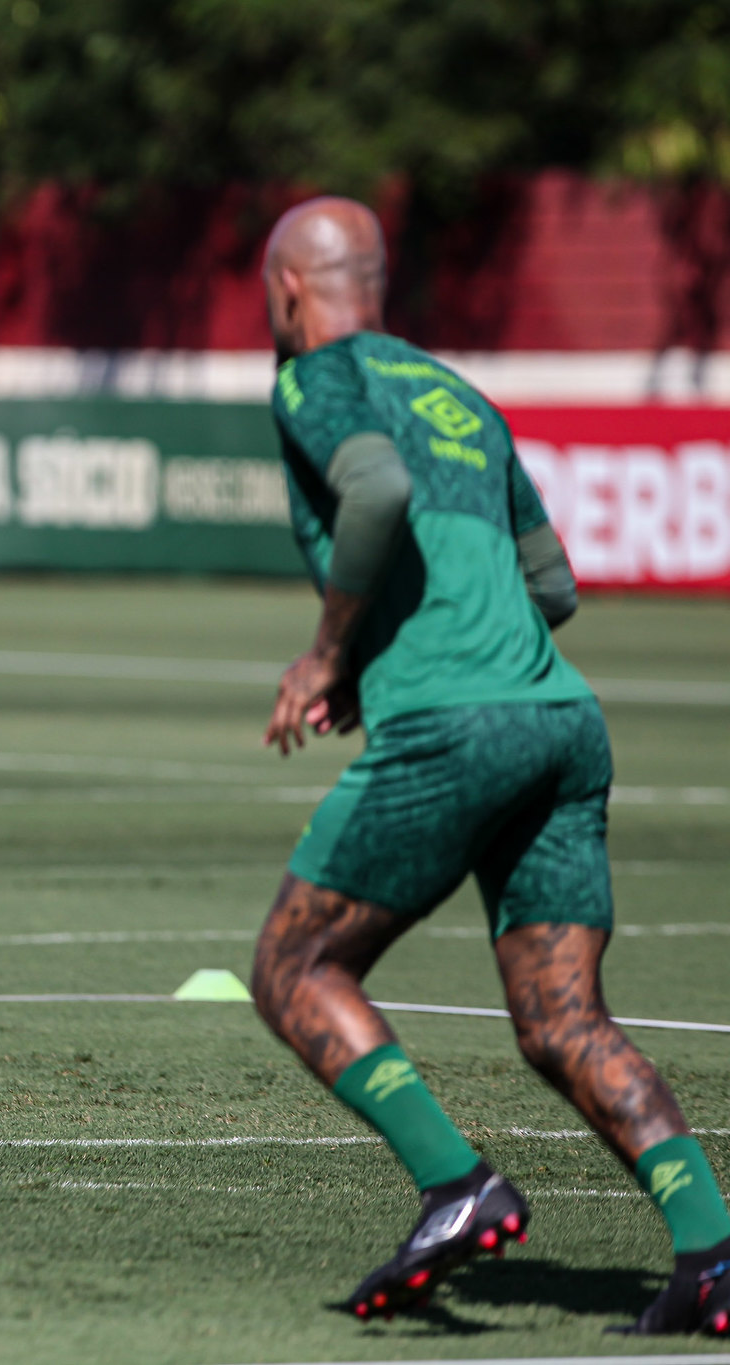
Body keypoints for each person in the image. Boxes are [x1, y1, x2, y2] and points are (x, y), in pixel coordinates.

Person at [251, 197, 730, 1333]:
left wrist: (328, 657)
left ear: (286, 291)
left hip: (450, 730)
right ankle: (710, 1252)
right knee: (562, 1023)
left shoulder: (313, 377)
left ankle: (453, 1184)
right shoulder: (461, 396)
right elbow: (554, 589)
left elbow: (373, 490)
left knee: (293, 967)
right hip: (561, 722)